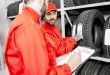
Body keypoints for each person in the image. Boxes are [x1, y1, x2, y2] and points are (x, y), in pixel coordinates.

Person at [5, 0, 82, 75]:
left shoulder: (27, 22)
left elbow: (35, 63)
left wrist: (57, 60)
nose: (47, 3)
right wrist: (70, 66)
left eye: (54, 13)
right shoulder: (29, 27)